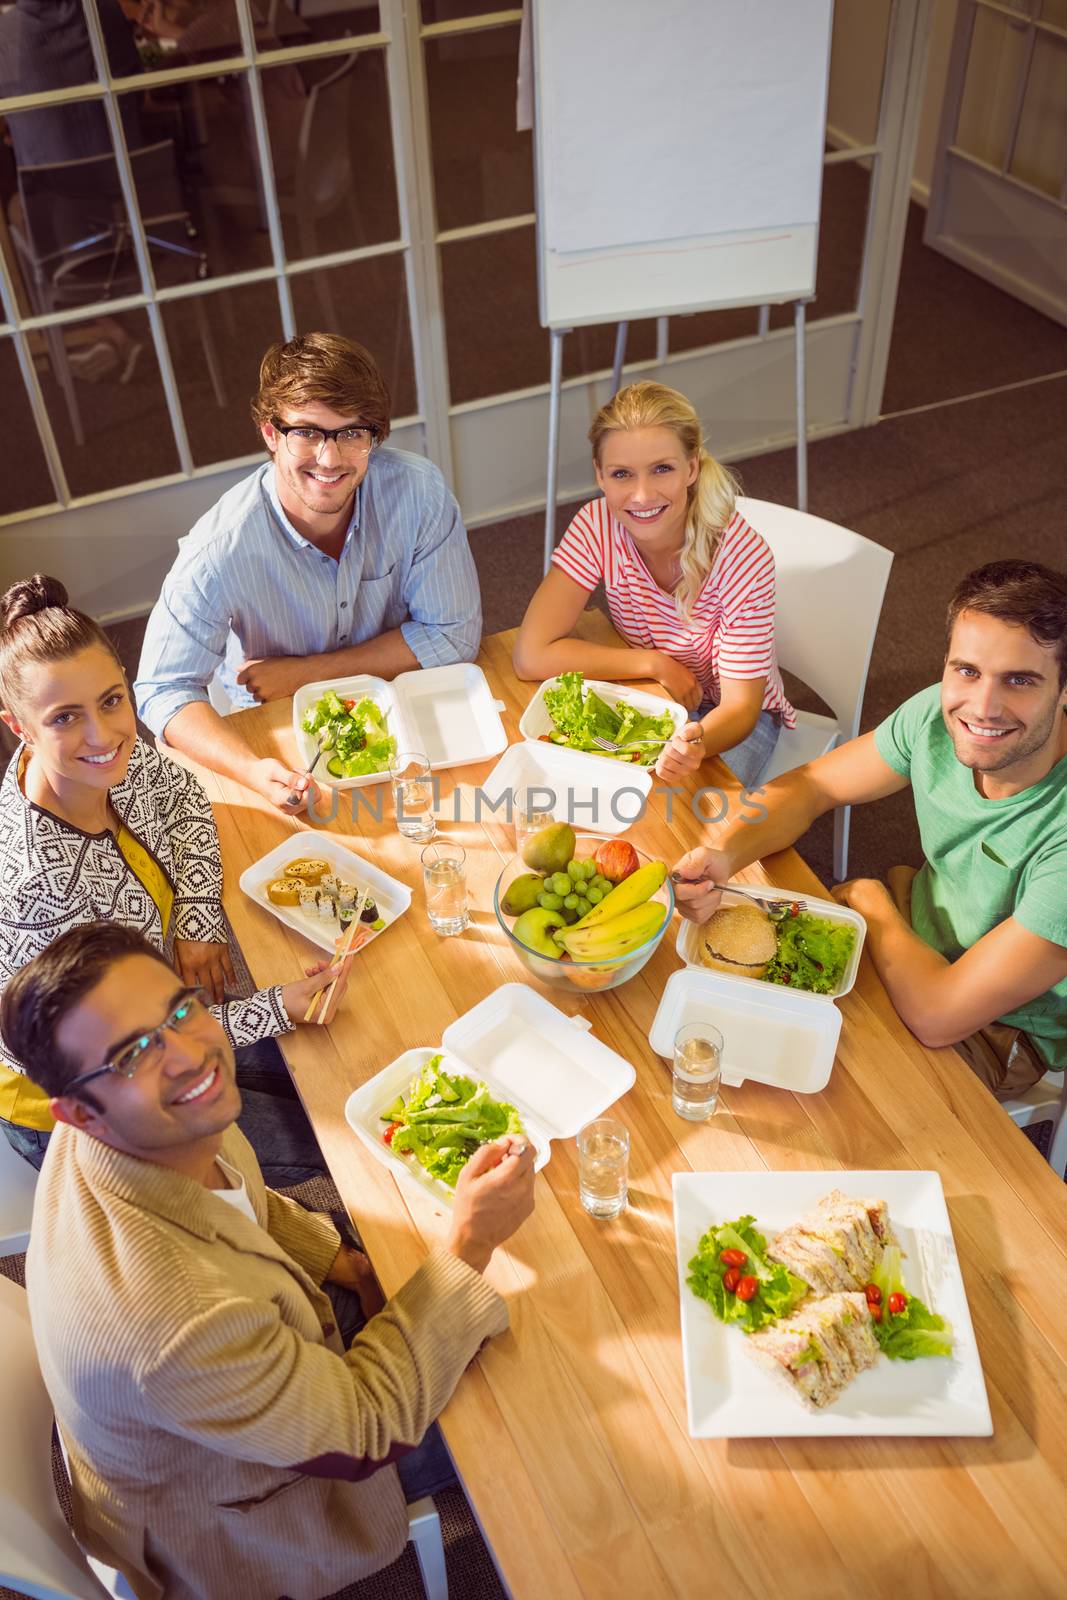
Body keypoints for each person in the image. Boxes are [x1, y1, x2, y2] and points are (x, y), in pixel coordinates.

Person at [6, 922, 535, 1600]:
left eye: (179, 1010)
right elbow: (365, 1431)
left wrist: (351, 1266)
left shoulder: (128, 1131)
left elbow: (244, 1202)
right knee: (522, 1405)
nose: (189, 1054)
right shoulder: (171, 1325)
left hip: (228, 1386)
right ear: (78, 1111)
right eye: (135, 1052)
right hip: (251, 1508)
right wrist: (469, 1245)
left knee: (412, 1270)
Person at [672, 560, 1067, 1099]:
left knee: (811, 1093)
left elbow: (938, 1015)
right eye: (967, 671)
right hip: (915, 931)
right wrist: (724, 855)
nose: (983, 706)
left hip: (1001, 1026)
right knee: (722, 1016)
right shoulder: (937, 715)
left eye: (1020, 680)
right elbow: (812, 785)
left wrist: (870, 902)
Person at [0, 573, 347, 1180]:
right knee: (325, 1138)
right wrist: (273, 1008)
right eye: (64, 718)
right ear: (19, 728)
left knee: (335, 1070)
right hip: (94, 1093)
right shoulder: (38, 887)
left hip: (157, 1001)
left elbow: (185, 797)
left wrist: (196, 915)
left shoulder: (110, 761)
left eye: (112, 700)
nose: (102, 735)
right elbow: (128, 1052)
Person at [135, 332, 482, 813]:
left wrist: (303, 675)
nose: (330, 458)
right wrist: (253, 770)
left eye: (352, 433)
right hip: (273, 729)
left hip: (399, 710)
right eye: (307, 432)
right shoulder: (218, 549)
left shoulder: (418, 493)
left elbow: (453, 634)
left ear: (373, 437)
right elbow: (162, 691)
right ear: (270, 434)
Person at [513, 381, 795, 788]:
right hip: (655, 688)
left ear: (692, 467)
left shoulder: (742, 557)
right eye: (622, 474)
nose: (642, 496)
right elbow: (530, 656)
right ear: (600, 476)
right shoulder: (596, 524)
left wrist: (692, 744)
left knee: (671, 816)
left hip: (728, 718)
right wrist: (654, 663)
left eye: (662, 469)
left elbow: (741, 709)